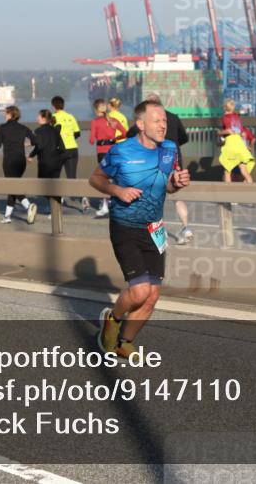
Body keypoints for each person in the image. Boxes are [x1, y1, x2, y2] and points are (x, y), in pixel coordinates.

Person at [90, 100, 191, 360]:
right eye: (156, 120)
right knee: (140, 291)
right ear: (140, 124)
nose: (162, 125)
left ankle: (125, 341)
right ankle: (111, 320)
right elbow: (95, 179)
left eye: (165, 121)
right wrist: (117, 190)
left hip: (155, 228)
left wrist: (176, 183)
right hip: (125, 227)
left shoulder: (169, 149)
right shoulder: (121, 151)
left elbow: (166, 186)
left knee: (152, 295)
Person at [126, 93, 193, 242]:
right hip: (175, 163)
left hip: (154, 163)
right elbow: (184, 138)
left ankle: (159, 233)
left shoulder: (147, 119)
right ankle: (185, 228)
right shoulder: (173, 117)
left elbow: (129, 133)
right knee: (177, 197)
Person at [0, 105, 38, 224]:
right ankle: (7, 216)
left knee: (12, 186)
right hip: (21, 161)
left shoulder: (3, 128)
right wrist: (25, 145)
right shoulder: (23, 128)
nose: (4, 114)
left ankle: (28, 206)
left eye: (6, 113)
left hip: (9, 160)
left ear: (10, 114)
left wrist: (3, 140)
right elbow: (35, 141)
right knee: (13, 185)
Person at [90, 99, 126, 217]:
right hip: (113, 150)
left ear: (96, 110)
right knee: (116, 176)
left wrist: (96, 137)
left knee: (103, 178)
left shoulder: (95, 122)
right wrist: (116, 138)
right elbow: (125, 133)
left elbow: (91, 140)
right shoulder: (113, 120)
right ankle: (118, 203)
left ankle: (105, 206)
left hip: (102, 152)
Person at [51, 96, 88, 211]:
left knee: (55, 176)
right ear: (63, 105)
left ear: (53, 106)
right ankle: (83, 197)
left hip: (60, 150)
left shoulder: (53, 117)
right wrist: (69, 139)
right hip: (72, 148)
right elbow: (77, 133)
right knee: (71, 177)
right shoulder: (70, 116)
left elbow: (51, 134)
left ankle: (58, 199)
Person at [31, 109, 68, 215]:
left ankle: (57, 201)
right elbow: (63, 148)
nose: (36, 118)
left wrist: (31, 155)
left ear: (43, 118)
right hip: (57, 162)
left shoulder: (38, 131)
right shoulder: (55, 130)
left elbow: (39, 146)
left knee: (42, 185)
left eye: (38, 116)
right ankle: (54, 206)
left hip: (45, 162)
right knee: (53, 185)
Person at [218, 99, 256, 184]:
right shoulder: (237, 118)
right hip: (240, 145)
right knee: (244, 171)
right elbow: (241, 132)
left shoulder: (225, 118)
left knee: (227, 171)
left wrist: (219, 133)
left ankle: (228, 193)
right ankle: (251, 189)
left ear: (225, 108)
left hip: (232, 145)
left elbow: (229, 130)